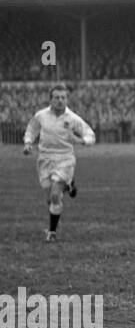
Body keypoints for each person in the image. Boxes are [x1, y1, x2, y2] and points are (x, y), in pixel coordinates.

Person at [23, 84, 95, 242]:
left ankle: (52, 233)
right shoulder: (41, 115)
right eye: (57, 97)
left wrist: (81, 140)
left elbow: (90, 135)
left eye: (63, 97)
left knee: (55, 195)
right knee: (50, 199)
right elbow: (31, 129)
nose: (60, 100)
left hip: (65, 159)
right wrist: (28, 143)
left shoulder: (73, 118)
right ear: (51, 99)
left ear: (66, 99)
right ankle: (68, 186)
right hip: (45, 159)